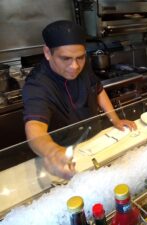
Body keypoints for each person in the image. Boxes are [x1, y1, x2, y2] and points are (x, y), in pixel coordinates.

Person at [22, 20, 137, 179]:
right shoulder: (37, 84)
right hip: (65, 154)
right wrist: (52, 152)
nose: (75, 66)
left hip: (95, 140)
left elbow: (98, 90)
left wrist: (115, 119)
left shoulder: (82, 64)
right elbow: (34, 126)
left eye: (80, 58)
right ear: (48, 53)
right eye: (65, 59)